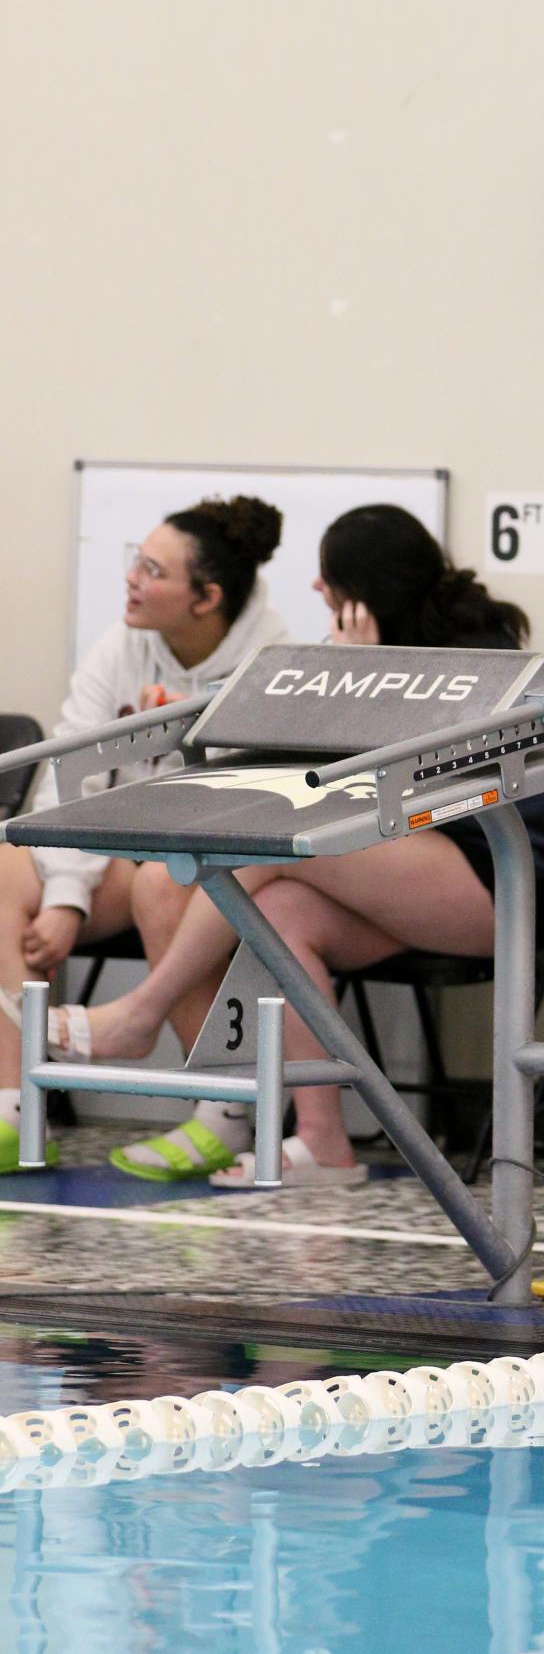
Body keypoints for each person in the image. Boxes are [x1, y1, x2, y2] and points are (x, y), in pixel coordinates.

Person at [44, 506, 544, 1188]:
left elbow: (387, 785)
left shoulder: (481, 653)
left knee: (279, 844)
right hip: (423, 864)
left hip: (507, 878)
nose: (318, 590)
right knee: (285, 912)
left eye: (330, 578)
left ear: (367, 589)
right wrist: (351, 674)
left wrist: (359, 675)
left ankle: (141, 1014)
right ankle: (326, 1142)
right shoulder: (382, 646)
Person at [0, 496, 287, 1177]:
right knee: (4, 868)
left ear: (205, 597)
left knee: (170, 881)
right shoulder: (118, 646)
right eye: (135, 561)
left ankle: (223, 1114)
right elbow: (65, 786)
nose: (131, 579)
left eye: (152, 570)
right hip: (110, 858)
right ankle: (16, 1102)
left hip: (210, 865)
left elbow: (246, 808)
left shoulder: (271, 663)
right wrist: (66, 896)